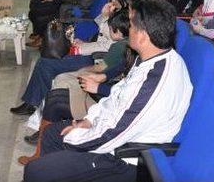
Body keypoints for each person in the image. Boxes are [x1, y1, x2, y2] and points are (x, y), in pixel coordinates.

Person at [23, 0, 192, 182]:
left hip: (125, 156)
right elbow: (117, 96)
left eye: (132, 26)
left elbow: (117, 132)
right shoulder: (149, 58)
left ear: (143, 34)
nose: (129, 30)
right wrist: (88, 120)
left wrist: (78, 136)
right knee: (51, 135)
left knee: (37, 171)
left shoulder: (154, 80)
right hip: (113, 135)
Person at [18, 8, 132, 165]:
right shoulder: (125, 42)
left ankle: (43, 138)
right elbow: (109, 69)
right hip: (100, 75)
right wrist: (103, 16)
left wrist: (90, 77)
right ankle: (42, 132)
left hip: (102, 88)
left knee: (58, 83)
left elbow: (109, 73)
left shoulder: (123, 47)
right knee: (55, 89)